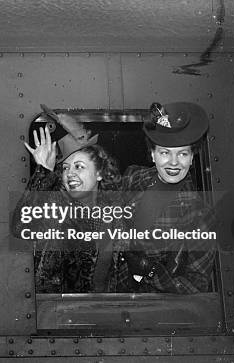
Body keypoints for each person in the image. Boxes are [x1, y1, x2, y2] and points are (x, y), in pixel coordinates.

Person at [108, 102, 217, 293]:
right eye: (165, 153)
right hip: (114, 296)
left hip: (153, 311)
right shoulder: (133, 177)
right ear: (152, 154)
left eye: (183, 154)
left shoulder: (200, 214)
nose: (174, 163)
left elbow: (196, 285)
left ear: (192, 157)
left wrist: (150, 272)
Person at [13, 110, 121, 292]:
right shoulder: (55, 209)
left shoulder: (114, 213)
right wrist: (43, 172)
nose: (69, 174)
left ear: (100, 173)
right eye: (64, 168)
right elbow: (19, 228)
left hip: (102, 310)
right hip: (61, 314)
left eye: (79, 166)